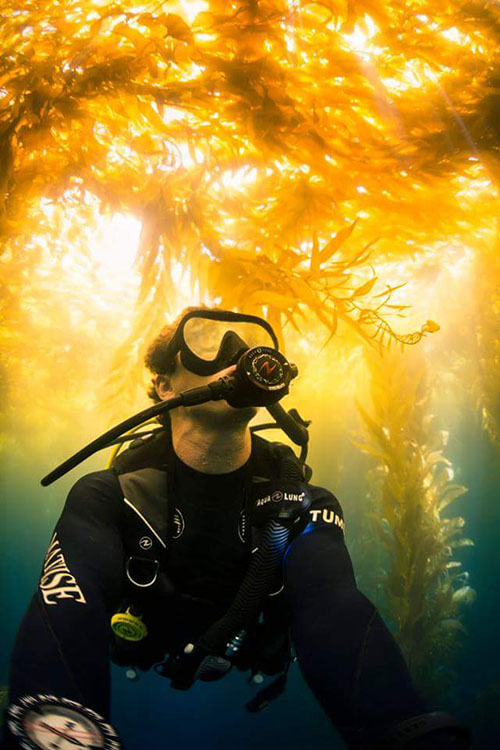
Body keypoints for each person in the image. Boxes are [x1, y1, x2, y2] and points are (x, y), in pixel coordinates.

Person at [5, 307, 471, 750]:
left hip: (247, 649)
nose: (236, 352)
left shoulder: (305, 505)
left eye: (247, 344)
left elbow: (334, 609)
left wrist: (406, 734)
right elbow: (67, 603)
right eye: (205, 341)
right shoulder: (108, 497)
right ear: (165, 386)